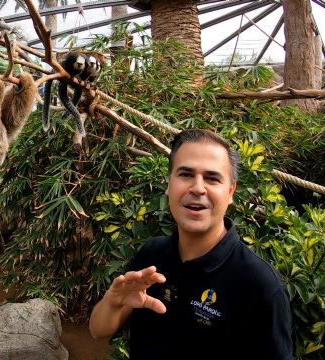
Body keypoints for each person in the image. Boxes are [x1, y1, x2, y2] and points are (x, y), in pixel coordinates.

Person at [89, 129, 293, 360]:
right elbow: (98, 330)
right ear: (169, 184)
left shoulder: (260, 285)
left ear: (230, 192)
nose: (197, 188)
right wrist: (113, 301)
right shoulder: (152, 255)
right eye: (185, 174)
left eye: (212, 178)